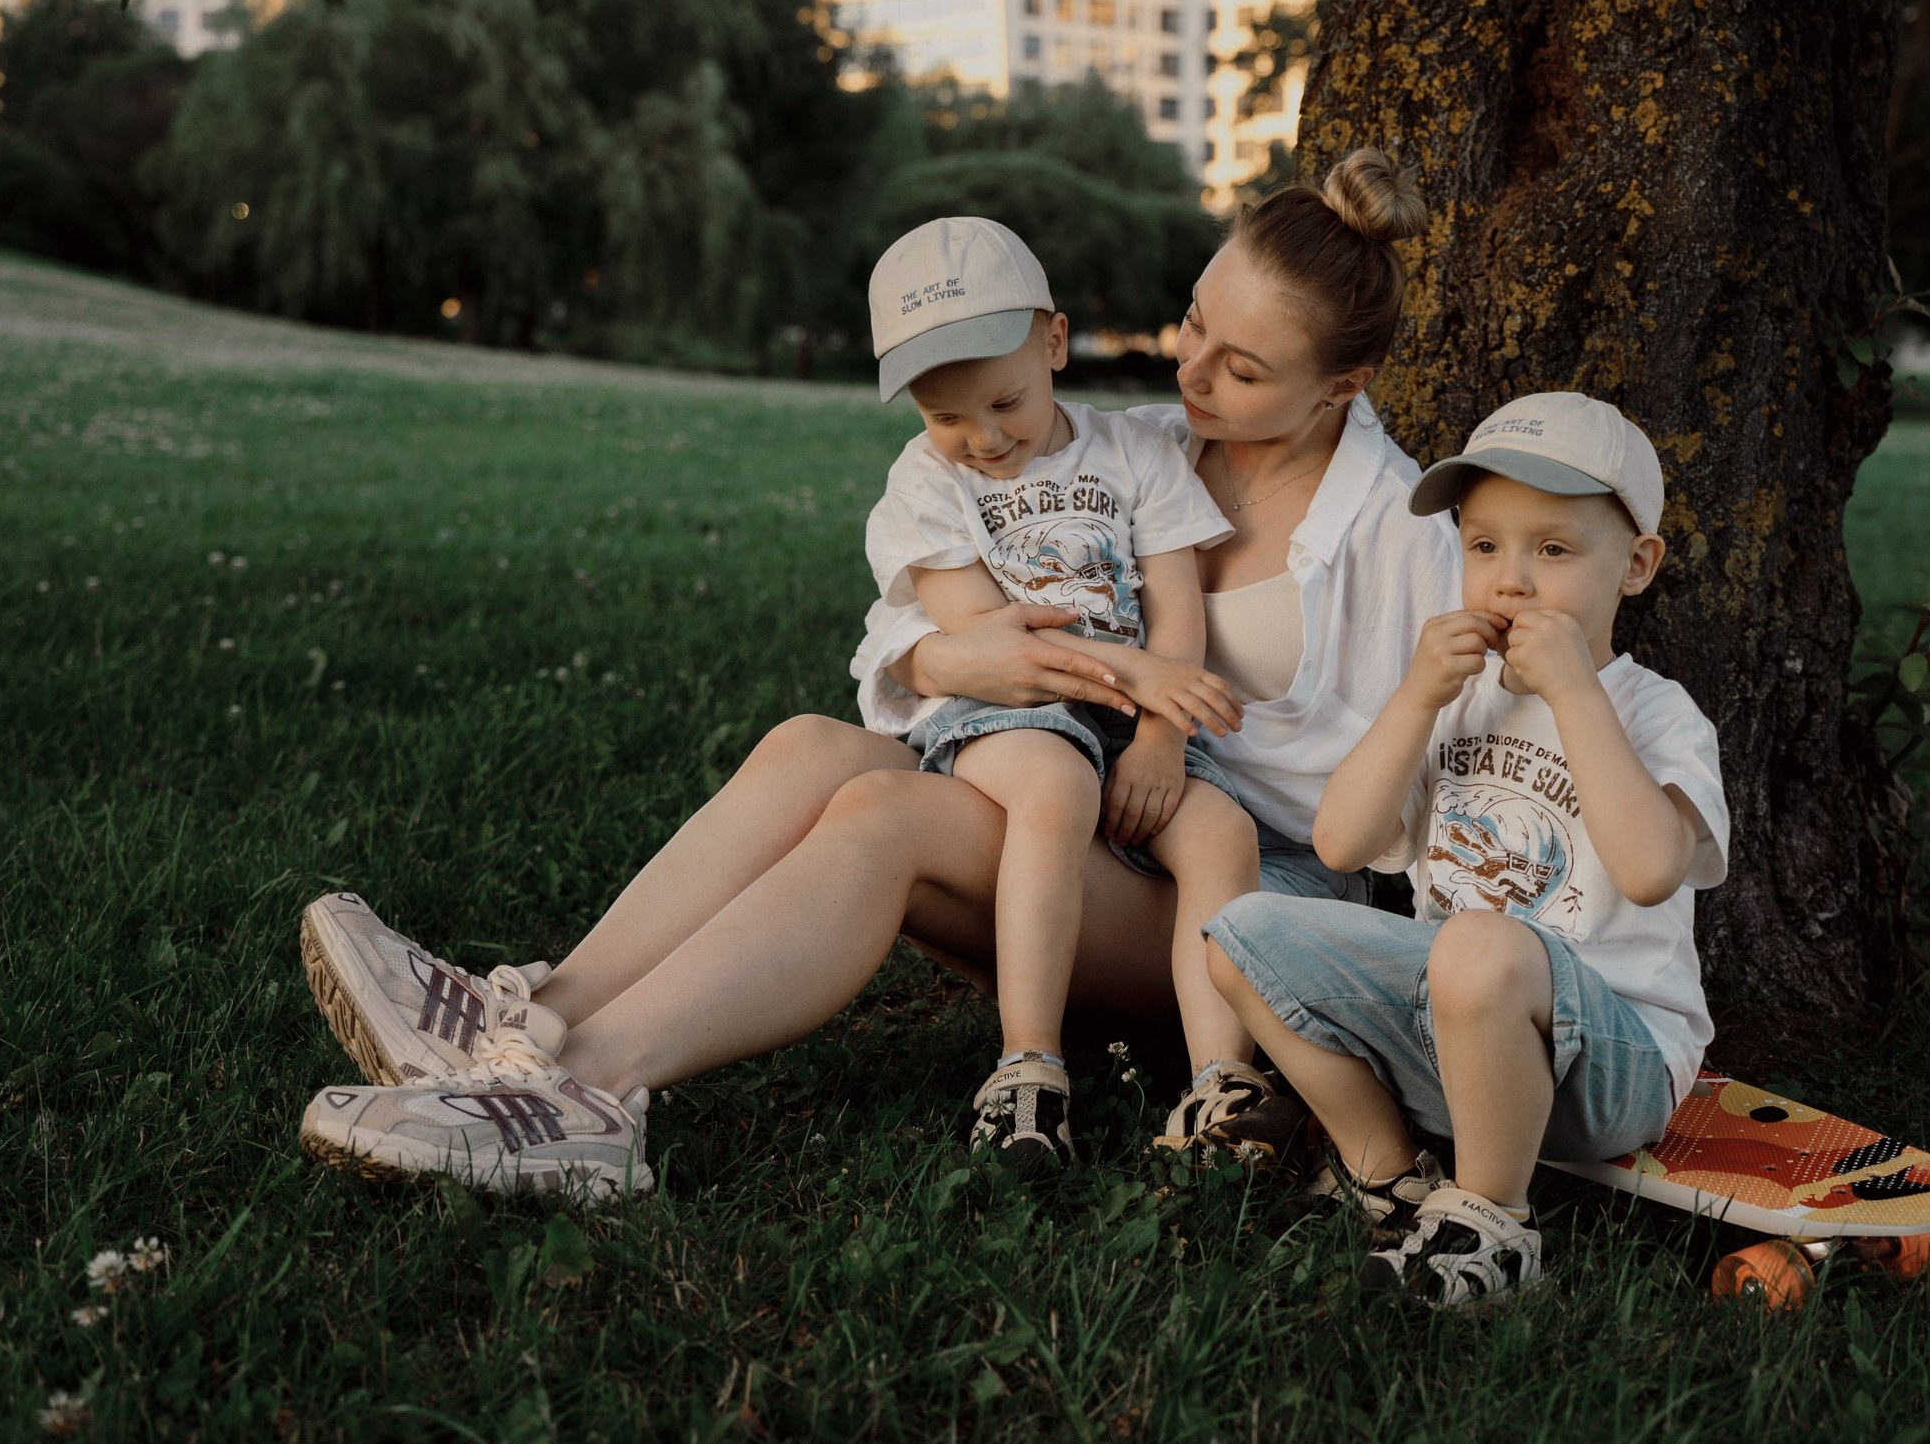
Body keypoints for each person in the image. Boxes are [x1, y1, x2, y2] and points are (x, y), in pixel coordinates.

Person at [292, 151, 1463, 1199]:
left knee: (885, 813)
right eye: (1193, 323)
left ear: (1338, 389)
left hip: (1239, 893)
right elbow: (897, 637)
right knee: (809, 743)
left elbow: (1439, 801)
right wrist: (954, 652)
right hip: (1092, 814)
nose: (1194, 370)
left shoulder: (1401, 534)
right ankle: (531, 1017)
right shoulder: (1144, 441)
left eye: (1242, 367)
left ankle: (588, 1091)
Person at [1203, 393, 1729, 1306]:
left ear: (1636, 566)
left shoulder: (1657, 714)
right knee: (1237, 934)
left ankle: (1494, 1219)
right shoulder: (1451, 698)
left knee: (1479, 942)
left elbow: (1650, 870)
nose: (1509, 580)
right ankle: (1390, 1176)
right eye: (1483, 547)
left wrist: (1575, 695)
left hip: (1612, 1065)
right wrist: (1412, 698)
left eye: (1552, 550)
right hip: (1456, 1053)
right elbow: (1342, 841)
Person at [859, 215, 1262, 1174]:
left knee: (1221, 833)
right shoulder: (925, 481)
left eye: (1005, 402)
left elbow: (1174, 609)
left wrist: (1163, 739)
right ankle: (1028, 1063)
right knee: (1055, 787)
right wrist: (1142, 679)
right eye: (945, 416)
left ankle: (1221, 1085)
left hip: (1136, 720)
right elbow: (985, 635)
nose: (982, 439)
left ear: (1054, 342)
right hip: (1011, 710)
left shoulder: (1135, 453)